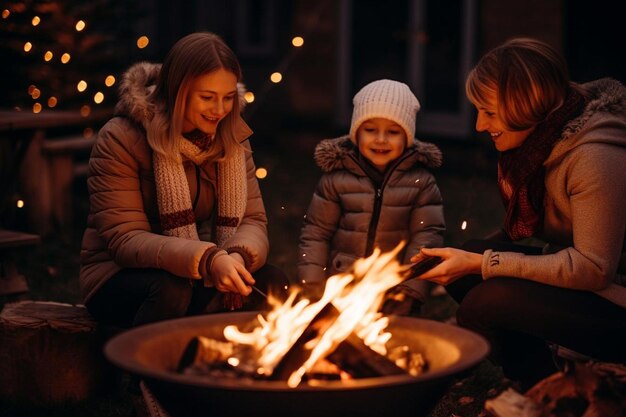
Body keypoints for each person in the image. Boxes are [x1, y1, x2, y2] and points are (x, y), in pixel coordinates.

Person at [415, 38, 626, 389]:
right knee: (468, 261)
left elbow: (593, 269)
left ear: (526, 105)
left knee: (487, 298)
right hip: (602, 286)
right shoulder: (543, 138)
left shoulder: (595, 158)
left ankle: (554, 388)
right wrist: (472, 256)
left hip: (616, 298)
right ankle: (546, 376)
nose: (480, 125)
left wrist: (484, 264)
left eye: (490, 112)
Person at [80, 32, 287, 328]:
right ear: (178, 92)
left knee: (271, 282)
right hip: (118, 276)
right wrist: (208, 260)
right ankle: (141, 373)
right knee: (171, 289)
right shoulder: (122, 137)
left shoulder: (231, 137)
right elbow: (124, 239)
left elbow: (252, 220)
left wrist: (237, 256)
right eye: (207, 98)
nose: (220, 110)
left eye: (228, 98)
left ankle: (233, 369)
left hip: (196, 266)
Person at [297, 79, 446, 316]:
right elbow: (316, 233)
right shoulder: (336, 180)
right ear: (356, 132)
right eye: (370, 130)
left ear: (407, 137)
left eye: (393, 132)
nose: (381, 139)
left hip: (392, 289)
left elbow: (426, 237)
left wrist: (410, 289)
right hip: (342, 287)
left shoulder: (421, 183)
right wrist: (313, 286)